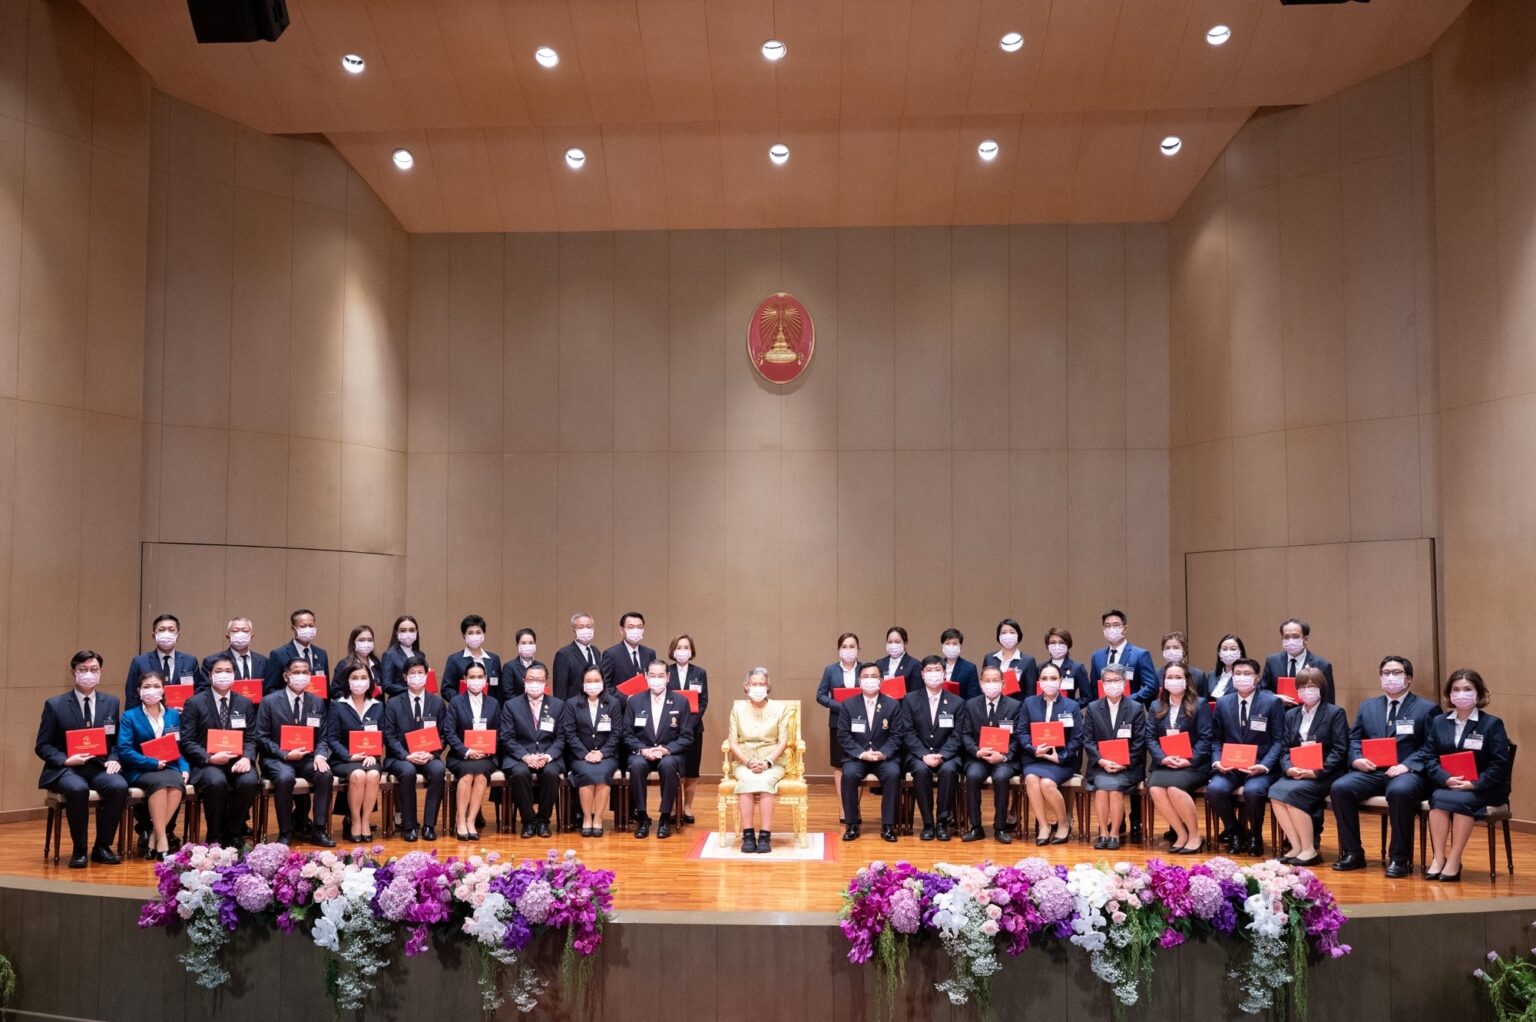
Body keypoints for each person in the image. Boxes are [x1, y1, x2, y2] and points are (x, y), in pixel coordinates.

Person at [1330, 655, 1439, 876]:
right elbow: (1354, 739)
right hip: (1371, 771)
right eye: (1386, 673)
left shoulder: (1427, 709)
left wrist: (1407, 766)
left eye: (1396, 673)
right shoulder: (1367, 706)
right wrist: (1356, 758)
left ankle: (1399, 858)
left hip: (1406, 773)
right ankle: (1353, 853)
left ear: (1408, 679)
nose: (1390, 677)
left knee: (1400, 791)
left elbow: (1431, 746)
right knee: (1340, 788)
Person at [35, 650, 127, 868]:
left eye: (93, 670)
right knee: (77, 789)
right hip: (66, 769)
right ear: (73, 672)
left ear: (100, 673)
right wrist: (66, 759)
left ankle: (102, 847)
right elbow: (42, 745)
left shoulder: (111, 702)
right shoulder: (55, 704)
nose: (89, 674)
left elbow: (114, 741)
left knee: (119, 786)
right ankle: (80, 849)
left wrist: (114, 758)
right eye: (83, 670)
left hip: (98, 767)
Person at [1423, 669, 1513, 882]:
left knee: (1460, 802)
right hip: (1449, 784)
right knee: (1438, 799)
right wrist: (1445, 778)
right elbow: (1429, 757)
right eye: (1456, 689)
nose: (1460, 694)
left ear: (1479, 694)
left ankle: (1454, 859)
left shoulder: (1492, 724)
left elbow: (1500, 764)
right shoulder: (1439, 722)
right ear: (1449, 694)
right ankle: (1438, 857)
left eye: (1467, 689)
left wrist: (1474, 784)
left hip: (1485, 787)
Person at [1267, 668, 1349, 867]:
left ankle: (1309, 849)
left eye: (1312, 686)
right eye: (1302, 687)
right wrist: (1288, 768)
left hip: (1324, 774)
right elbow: (1285, 747)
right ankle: (1296, 846)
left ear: (1321, 688)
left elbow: (1340, 749)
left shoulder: (1334, 713)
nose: (1307, 691)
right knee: (1275, 791)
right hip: (1297, 771)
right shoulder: (1292, 714)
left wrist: (1316, 771)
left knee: (1294, 794)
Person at [252, 657, 336, 846]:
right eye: (296, 672)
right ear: (286, 676)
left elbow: (323, 736)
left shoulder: (317, 702)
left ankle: (319, 829)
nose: (301, 676)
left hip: (307, 758)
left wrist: (321, 755)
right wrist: (284, 754)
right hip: (277, 758)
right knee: (284, 778)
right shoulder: (269, 702)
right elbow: (261, 737)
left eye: (305, 672)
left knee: (325, 774)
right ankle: (285, 831)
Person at [1206, 657, 1284, 856]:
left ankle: (1255, 836)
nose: (1241, 678)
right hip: (1230, 766)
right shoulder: (1223, 703)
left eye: (1247, 674)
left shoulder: (1271, 702)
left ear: (1257, 677)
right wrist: (1217, 761)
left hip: (1259, 767)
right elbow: (1216, 739)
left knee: (1253, 791)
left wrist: (1264, 766)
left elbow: (1278, 741)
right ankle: (1235, 833)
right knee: (1214, 789)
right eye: (1237, 674)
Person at [179, 654, 260, 846]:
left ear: (235, 675)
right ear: (209, 675)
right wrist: (209, 758)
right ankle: (215, 834)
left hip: (237, 761)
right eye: (218, 671)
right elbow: (187, 740)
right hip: (207, 763)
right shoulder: (194, 702)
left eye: (228, 671)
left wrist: (247, 758)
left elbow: (251, 737)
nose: (224, 675)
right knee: (216, 782)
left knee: (249, 780)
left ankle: (232, 832)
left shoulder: (245, 703)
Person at [117, 671, 189, 859]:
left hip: (170, 767)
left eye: (156, 686)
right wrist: (151, 762)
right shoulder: (129, 716)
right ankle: (163, 839)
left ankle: (154, 838)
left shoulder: (173, 715)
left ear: (164, 690)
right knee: (159, 784)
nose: (152, 690)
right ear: (139, 691)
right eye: (147, 687)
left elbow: (177, 747)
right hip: (139, 769)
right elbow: (124, 750)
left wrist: (185, 767)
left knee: (176, 784)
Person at [1145, 662, 1214, 854]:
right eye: (1170, 678)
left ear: (1186, 681)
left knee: (1175, 789)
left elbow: (1206, 738)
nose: (1174, 681)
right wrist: (1163, 758)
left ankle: (1195, 835)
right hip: (1165, 762)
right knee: (1156, 789)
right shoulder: (1155, 705)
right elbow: (1150, 738)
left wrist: (1190, 760)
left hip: (1192, 763)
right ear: (1164, 682)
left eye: (1178, 677)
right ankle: (1181, 833)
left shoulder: (1199, 704)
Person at [622, 658, 693, 838]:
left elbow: (686, 736)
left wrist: (666, 749)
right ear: (646, 676)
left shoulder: (680, 701)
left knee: (668, 766)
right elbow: (627, 733)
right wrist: (642, 749)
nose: (656, 679)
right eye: (652, 675)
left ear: (668, 677)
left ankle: (664, 817)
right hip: (642, 752)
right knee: (636, 766)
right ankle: (643, 816)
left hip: (669, 753)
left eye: (660, 675)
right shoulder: (635, 701)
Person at [728, 668, 793, 853]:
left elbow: (783, 741)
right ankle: (748, 835)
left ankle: (765, 835)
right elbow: (733, 742)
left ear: (768, 686)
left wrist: (767, 762)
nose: (758, 688)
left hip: (773, 762)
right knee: (747, 780)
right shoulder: (738, 709)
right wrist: (748, 762)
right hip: (743, 761)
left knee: (764, 781)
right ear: (746, 686)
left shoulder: (780, 709)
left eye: (762, 684)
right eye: (754, 684)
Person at [837, 663, 905, 842]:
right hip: (857, 757)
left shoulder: (892, 705)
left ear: (881, 681)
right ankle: (851, 824)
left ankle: (888, 825)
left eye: (874, 676)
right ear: (859, 681)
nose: (870, 680)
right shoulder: (848, 705)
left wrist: (883, 753)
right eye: (865, 676)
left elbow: (897, 735)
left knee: (893, 773)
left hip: (884, 757)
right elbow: (843, 735)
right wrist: (861, 754)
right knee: (849, 775)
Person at [382, 655, 446, 842]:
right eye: (412, 673)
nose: (417, 677)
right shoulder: (393, 703)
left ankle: (429, 825)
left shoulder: (437, 703)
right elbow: (389, 735)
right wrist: (407, 755)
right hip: (400, 758)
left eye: (420, 673)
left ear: (427, 676)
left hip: (428, 755)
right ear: (405, 677)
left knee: (438, 770)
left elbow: (443, 734)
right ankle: (409, 826)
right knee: (408, 772)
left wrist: (432, 753)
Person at [1082, 663, 1146, 850]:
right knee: (1101, 788)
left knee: (1115, 789)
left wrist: (1124, 763)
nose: (1112, 684)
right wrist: (1101, 760)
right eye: (1108, 681)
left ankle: (1115, 834)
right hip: (1101, 764)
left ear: (1124, 683)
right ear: (1102, 684)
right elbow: (1088, 740)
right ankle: (1103, 832)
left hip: (1127, 766)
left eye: (1116, 680)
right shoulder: (1093, 708)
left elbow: (1139, 741)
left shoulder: (1135, 708)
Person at [901, 655, 964, 841]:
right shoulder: (910, 699)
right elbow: (907, 732)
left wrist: (942, 755)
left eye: (938, 670)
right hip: (918, 754)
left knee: (949, 770)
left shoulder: (957, 702)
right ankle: (928, 823)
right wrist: (923, 754)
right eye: (929, 670)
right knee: (920, 771)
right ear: (922, 674)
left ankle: (942, 823)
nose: (933, 674)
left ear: (944, 674)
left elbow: (957, 735)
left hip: (947, 755)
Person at [498, 662, 564, 838]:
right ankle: (528, 821)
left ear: (546, 682)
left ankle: (543, 821)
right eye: (531, 679)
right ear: (524, 681)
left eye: (539, 680)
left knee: (551, 774)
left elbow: (561, 738)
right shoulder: (511, 706)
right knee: (519, 774)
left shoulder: (558, 705)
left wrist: (548, 756)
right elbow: (507, 738)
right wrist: (526, 757)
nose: (535, 683)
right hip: (519, 756)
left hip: (547, 755)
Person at [959, 664, 1022, 844]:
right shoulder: (970, 705)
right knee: (972, 776)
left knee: (1001, 778)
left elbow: (1018, 737)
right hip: (978, 757)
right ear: (981, 683)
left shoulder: (1015, 706)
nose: (991, 684)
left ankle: (1000, 827)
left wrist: (1004, 756)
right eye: (987, 680)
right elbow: (965, 733)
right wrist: (977, 751)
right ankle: (976, 827)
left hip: (1004, 759)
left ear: (1003, 683)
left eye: (995, 680)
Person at [442, 658, 501, 841]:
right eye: (472, 677)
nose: (476, 680)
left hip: (486, 755)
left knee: (481, 775)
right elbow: (449, 732)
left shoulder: (493, 703)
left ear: (485, 680)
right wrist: (466, 751)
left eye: (480, 676)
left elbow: (499, 733)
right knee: (468, 774)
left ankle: (471, 820)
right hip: (461, 755)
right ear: (465, 680)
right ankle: (460, 820)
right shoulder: (456, 702)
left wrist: (488, 749)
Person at [325, 663, 385, 842]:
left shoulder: (378, 706)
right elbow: (332, 738)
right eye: (355, 678)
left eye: (363, 678)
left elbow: (382, 736)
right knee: (358, 775)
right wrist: (349, 756)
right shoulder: (338, 705)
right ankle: (355, 821)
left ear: (370, 682)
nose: (359, 682)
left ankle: (366, 821)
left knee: (373, 774)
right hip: (344, 759)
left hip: (370, 757)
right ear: (348, 682)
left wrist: (372, 755)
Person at [561, 665, 621, 837]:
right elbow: (569, 733)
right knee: (587, 774)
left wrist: (602, 753)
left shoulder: (613, 703)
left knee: (602, 774)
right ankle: (587, 818)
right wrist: (585, 753)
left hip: (606, 755)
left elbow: (617, 733)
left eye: (596, 681)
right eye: (588, 681)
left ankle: (599, 819)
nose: (592, 684)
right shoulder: (572, 704)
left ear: (603, 682)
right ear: (582, 683)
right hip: (581, 755)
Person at [816, 633, 864, 811]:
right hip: (838, 722)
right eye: (844, 646)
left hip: (862, 723)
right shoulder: (831, 670)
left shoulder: (865, 669)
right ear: (839, 650)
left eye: (852, 646)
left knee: (858, 764)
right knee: (840, 765)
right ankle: (844, 807)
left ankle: (855, 807)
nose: (848, 650)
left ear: (858, 648)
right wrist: (839, 705)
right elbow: (820, 695)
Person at [667, 634, 708, 824]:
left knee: (691, 771)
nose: (682, 651)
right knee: (674, 769)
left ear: (691, 651)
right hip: (670, 730)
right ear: (673, 650)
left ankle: (687, 807)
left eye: (686, 647)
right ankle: (675, 807)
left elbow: (703, 702)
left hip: (693, 729)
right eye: (679, 647)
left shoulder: (699, 673)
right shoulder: (665, 672)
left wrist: (688, 725)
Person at [125, 613, 203, 708]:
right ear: (154, 636)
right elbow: (131, 695)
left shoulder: (190, 661)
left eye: (171, 629)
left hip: (183, 717)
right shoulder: (140, 661)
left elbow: (198, 692)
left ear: (178, 635)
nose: (167, 633)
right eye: (162, 630)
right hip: (149, 718)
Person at [1260, 617, 1336, 705]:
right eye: (1286, 637)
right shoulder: (1272, 661)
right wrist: (1276, 697)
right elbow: (1262, 690)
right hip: (1279, 713)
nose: (1290, 640)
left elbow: (1328, 699)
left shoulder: (1321, 665)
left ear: (1305, 639)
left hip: (1308, 715)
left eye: (1295, 637)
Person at [1090, 609, 1158, 705]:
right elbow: (1094, 690)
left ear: (1125, 628)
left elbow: (1151, 686)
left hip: (1131, 710)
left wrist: (1128, 700)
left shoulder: (1140, 654)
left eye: (1116, 625)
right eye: (1107, 626)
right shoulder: (1097, 657)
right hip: (1103, 711)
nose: (1111, 629)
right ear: (1103, 629)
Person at [263, 609, 330, 695]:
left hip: (316, 706)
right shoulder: (278, 655)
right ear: (293, 628)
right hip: (288, 706)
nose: (308, 629)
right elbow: (270, 689)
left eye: (311, 626)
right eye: (303, 626)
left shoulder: (321, 654)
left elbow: (326, 688)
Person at [443, 613, 504, 698]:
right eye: (470, 633)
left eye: (478, 632)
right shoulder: (454, 659)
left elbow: (499, 689)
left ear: (484, 634)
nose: (474, 636)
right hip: (463, 709)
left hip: (489, 709)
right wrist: (461, 703)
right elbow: (446, 689)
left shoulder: (494, 659)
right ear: (464, 636)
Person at [602, 610, 656, 691]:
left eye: (639, 627)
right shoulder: (611, 654)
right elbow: (605, 685)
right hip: (622, 702)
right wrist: (625, 698)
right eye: (631, 627)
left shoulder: (649, 653)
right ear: (621, 630)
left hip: (645, 701)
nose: (635, 630)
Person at [983, 618, 1037, 697]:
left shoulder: (1028, 660)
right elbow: (984, 684)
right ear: (999, 636)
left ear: (1018, 635)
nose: (1008, 636)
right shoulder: (989, 658)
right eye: (1003, 632)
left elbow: (1030, 692)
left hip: (1017, 707)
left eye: (1012, 632)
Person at [552, 613, 601, 701]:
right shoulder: (564, 654)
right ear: (573, 632)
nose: (585, 630)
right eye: (581, 627)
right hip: (574, 709)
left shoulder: (596, 651)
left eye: (589, 626)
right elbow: (560, 690)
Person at [203, 616, 266, 682]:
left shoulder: (264, 661)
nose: (240, 634)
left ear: (251, 636)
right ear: (228, 636)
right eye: (235, 631)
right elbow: (205, 689)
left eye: (245, 631)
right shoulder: (211, 661)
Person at [330, 625, 381, 700]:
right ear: (353, 643)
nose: (366, 643)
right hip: (350, 708)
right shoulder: (344, 665)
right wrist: (355, 697)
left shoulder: (377, 664)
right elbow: (334, 691)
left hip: (373, 709)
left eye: (369, 640)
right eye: (361, 640)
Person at [1037, 627, 1090, 699]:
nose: (1057, 646)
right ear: (1047, 646)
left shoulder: (1077, 668)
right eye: (1053, 642)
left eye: (1061, 642)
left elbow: (1086, 697)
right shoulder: (1040, 667)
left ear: (1068, 645)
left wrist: (1070, 706)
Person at [379, 615, 423, 699]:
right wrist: (411, 690)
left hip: (418, 701)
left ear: (416, 632)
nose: (408, 633)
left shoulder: (420, 655)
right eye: (403, 630)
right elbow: (387, 686)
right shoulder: (389, 655)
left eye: (411, 630)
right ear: (396, 633)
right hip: (398, 702)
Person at [1157, 631, 1207, 700]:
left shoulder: (1198, 674)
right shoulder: (1157, 674)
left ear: (1184, 650)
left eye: (1176, 647)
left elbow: (1203, 701)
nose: (1171, 651)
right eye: (1167, 648)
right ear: (1163, 651)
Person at [937, 628, 979, 699]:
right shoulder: (936, 666)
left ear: (960, 646)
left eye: (955, 643)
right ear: (942, 645)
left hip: (961, 708)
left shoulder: (969, 668)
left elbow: (973, 697)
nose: (951, 646)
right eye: (947, 643)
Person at [879, 626, 923, 693]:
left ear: (905, 644)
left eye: (897, 642)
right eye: (890, 642)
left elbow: (916, 692)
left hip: (904, 703)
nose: (893, 645)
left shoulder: (914, 664)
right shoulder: (879, 663)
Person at [1205, 634, 1246, 700]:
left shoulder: (1245, 676)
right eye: (1224, 649)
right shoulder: (1212, 675)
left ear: (1240, 653)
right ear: (1219, 653)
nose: (1228, 652)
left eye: (1233, 649)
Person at [504, 628, 543, 697]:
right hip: (516, 706)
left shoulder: (541, 666)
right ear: (517, 645)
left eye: (531, 643)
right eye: (523, 643)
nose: (528, 646)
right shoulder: (509, 667)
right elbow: (508, 694)